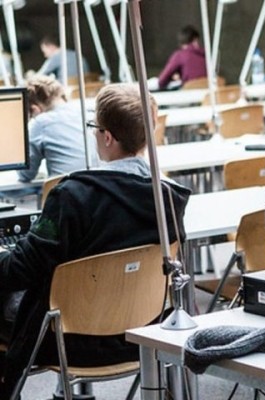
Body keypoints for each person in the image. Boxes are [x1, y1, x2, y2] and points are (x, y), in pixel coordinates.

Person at [0, 83, 191, 397]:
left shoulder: (72, 196)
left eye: (94, 127)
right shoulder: (168, 198)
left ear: (107, 137)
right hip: (143, 334)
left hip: (68, 342)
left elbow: (20, 269)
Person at [17, 75, 98, 183]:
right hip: (100, 186)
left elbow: (25, 174)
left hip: (67, 189)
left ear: (35, 109)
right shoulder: (88, 111)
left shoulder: (41, 122)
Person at [158, 25, 207, 90]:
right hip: (207, 92)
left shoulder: (180, 55)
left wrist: (172, 78)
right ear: (195, 39)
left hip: (190, 92)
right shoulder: (206, 55)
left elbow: (162, 80)